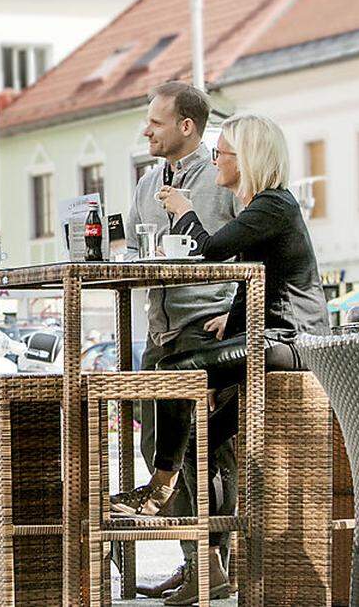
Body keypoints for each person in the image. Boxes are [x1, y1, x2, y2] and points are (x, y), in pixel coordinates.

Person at [144, 112, 330, 602]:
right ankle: (211, 566)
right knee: (201, 442)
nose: (213, 160)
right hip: (272, 335)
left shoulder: (272, 205)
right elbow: (264, 274)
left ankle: (160, 484)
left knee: (172, 370)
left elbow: (208, 251)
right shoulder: (266, 208)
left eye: (220, 153)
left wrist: (184, 207)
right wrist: (232, 317)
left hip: (291, 342)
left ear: (244, 159)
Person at [115, 82, 240, 603]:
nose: (145, 130)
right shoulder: (147, 184)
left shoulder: (224, 176)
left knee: (208, 452)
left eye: (155, 122)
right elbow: (145, 250)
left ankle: (213, 565)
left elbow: (257, 249)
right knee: (155, 445)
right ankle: (200, 562)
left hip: (209, 329)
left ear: (187, 127)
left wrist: (236, 313)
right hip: (160, 331)